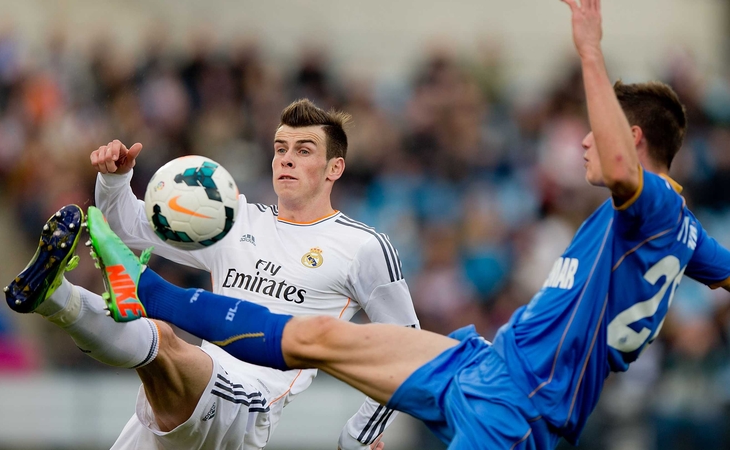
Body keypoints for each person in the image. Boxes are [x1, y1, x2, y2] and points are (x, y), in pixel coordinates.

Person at [83, 1, 730, 449]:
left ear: (634, 139)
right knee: (318, 337)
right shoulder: (685, 233)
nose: (584, 142)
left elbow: (619, 167)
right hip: (485, 363)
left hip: (519, 408)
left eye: (600, 129)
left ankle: (147, 295)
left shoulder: (653, 205)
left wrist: (588, 48)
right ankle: (144, 292)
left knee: (316, 339)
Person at [4, 99, 418, 449]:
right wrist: (116, 180)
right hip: (189, 387)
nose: (286, 158)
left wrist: (359, 434)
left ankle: (91, 292)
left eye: (304, 150)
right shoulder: (234, 218)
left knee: (163, 336)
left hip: (247, 405)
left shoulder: (363, 246)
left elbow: (408, 348)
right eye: (280, 148)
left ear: (335, 168)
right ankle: (57, 293)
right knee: (161, 341)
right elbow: (126, 228)